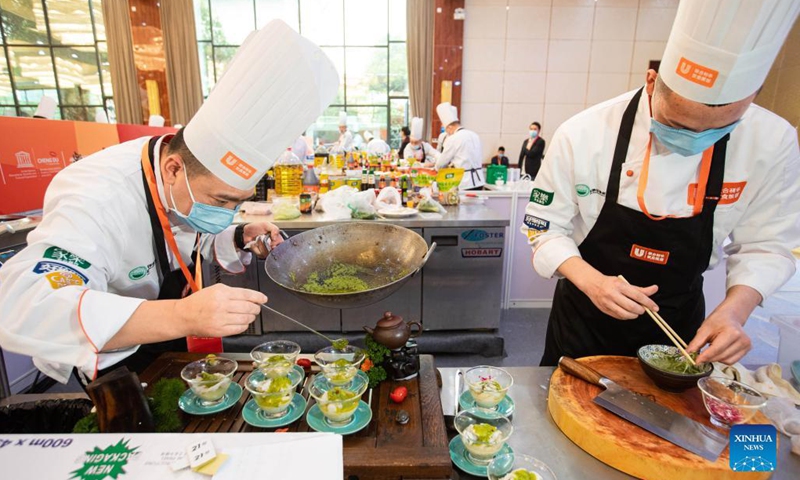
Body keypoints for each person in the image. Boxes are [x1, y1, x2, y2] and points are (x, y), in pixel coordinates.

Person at [0, 20, 340, 384]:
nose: (224, 215)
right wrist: (182, 316)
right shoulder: (95, 194)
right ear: (174, 169)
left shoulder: (184, 183)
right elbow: (28, 304)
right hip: (116, 352)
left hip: (177, 332)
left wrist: (239, 236)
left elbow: (186, 230)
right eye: (220, 201)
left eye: (236, 203)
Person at [521, 1, 800, 367]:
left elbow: (768, 245)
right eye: (679, 124)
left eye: (719, 130)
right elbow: (543, 229)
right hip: (584, 320)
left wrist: (735, 311)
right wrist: (593, 283)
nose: (695, 139)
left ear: (751, 99)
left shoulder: (772, 141)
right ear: (652, 81)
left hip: (680, 325)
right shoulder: (585, 132)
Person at [434, 102, 485, 190]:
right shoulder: (474, 135)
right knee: (477, 204)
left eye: (446, 130)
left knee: (464, 204)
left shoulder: (453, 138)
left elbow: (441, 163)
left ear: (449, 127)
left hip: (464, 182)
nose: (447, 133)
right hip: (479, 180)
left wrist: (436, 168)